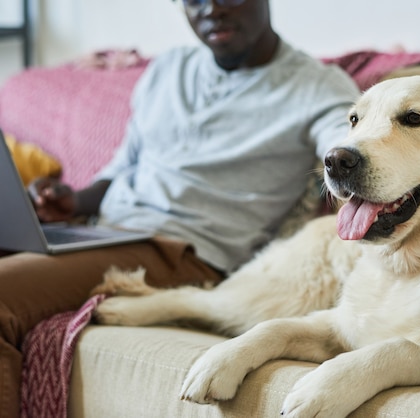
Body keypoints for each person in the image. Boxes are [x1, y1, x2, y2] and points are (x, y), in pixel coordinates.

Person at [0, 0, 360, 416]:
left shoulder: (319, 86)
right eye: (194, 0)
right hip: (98, 230)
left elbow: (350, 147)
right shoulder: (168, 69)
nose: (212, 10)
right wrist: (70, 201)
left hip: (181, 251)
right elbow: (123, 166)